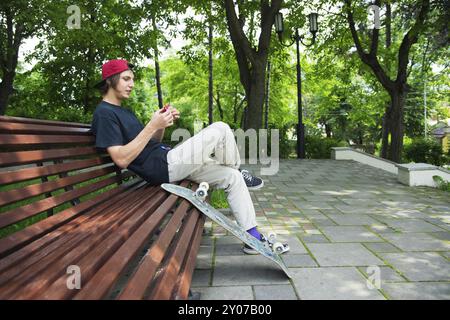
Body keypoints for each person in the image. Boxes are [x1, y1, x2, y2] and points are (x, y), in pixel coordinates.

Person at [91, 59, 269, 254]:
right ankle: (237, 167)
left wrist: (160, 124)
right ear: (109, 80)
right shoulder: (104, 114)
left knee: (231, 177)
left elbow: (151, 143)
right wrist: (152, 125)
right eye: (126, 79)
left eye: (132, 79)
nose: (131, 84)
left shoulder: (123, 111)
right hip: (162, 168)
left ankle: (252, 236)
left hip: (167, 159)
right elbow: (121, 159)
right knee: (221, 128)